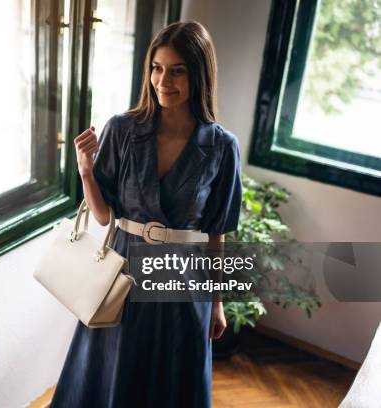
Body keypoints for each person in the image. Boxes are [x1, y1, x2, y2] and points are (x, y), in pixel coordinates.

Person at [50, 21, 242, 407]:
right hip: (123, 276)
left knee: (173, 383)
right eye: (156, 67)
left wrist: (217, 302)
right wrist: (86, 170)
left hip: (185, 287)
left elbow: (217, 234)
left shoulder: (222, 147)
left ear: (199, 74)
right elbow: (104, 217)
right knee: (111, 377)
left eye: (177, 70)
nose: (162, 80)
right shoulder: (122, 129)